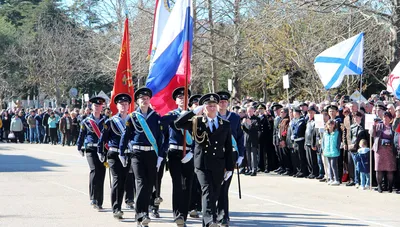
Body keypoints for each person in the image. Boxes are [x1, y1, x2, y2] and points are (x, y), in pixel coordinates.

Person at [175, 93, 234, 227]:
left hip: (218, 164)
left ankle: (208, 220)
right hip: (202, 163)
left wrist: (230, 168)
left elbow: (228, 147)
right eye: (208, 105)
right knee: (207, 190)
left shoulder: (224, 124)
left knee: (215, 192)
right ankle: (209, 221)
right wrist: (193, 111)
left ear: (217, 107)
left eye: (214, 105)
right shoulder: (197, 121)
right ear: (204, 108)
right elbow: (178, 123)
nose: (212, 108)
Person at [119, 87, 164, 227]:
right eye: (141, 99)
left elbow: (160, 138)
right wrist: (121, 152)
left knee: (149, 184)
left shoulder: (156, 117)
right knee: (140, 182)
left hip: (151, 153)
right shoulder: (132, 117)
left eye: (146, 98)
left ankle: (144, 212)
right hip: (137, 154)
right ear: (137, 101)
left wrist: (160, 156)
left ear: (149, 100)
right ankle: (141, 215)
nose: (144, 101)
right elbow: (125, 136)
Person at [161, 87, 195, 226]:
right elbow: (164, 133)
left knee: (188, 185)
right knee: (178, 184)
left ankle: (184, 215)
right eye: (180, 97)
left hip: (189, 153)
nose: (182, 99)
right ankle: (178, 215)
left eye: (185, 97)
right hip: (175, 152)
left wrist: (192, 151)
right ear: (175, 100)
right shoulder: (171, 115)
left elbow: (199, 137)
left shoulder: (194, 116)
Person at [98, 93, 134, 219]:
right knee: (117, 180)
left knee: (125, 180)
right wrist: (100, 151)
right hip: (114, 154)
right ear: (117, 106)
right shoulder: (111, 121)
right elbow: (103, 139)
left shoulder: (133, 120)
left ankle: (126, 201)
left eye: (126, 104)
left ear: (129, 106)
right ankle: (116, 208)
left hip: (128, 154)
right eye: (121, 104)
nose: (123, 106)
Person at [216, 91, 245, 226]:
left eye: (225, 101)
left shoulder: (234, 117)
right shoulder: (211, 116)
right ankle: (214, 213)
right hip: (215, 155)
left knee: (224, 186)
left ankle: (224, 215)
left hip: (230, 155)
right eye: (220, 101)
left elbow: (240, 136)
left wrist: (241, 154)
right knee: (214, 187)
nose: (223, 103)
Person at [77, 97, 107, 210]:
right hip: (90, 149)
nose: (97, 107)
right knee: (94, 170)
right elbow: (82, 134)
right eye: (95, 105)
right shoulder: (86, 121)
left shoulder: (106, 121)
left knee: (102, 173)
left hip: (103, 150)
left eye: (99, 106)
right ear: (91, 107)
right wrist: (79, 146)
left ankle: (100, 201)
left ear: (102, 107)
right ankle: (93, 198)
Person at [370, 111, 397, 193]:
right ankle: (379, 186)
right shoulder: (378, 125)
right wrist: (374, 126)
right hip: (379, 150)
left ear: (390, 119)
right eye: (384, 117)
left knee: (390, 170)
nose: (385, 118)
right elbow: (372, 134)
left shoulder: (393, 127)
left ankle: (390, 187)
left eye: (387, 117)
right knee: (379, 169)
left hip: (390, 151)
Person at [242, 106, 260, 176]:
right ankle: (249, 168)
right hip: (246, 139)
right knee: (248, 155)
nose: (249, 113)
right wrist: (242, 124)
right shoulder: (245, 119)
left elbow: (257, 128)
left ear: (253, 111)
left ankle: (254, 169)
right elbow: (244, 129)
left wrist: (250, 124)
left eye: (251, 111)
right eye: (248, 111)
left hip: (253, 139)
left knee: (253, 155)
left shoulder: (256, 119)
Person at [323, 119, 341, 186]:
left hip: (334, 151)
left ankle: (336, 179)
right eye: (329, 124)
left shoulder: (337, 132)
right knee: (329, 166)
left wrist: (337, 148)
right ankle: (331, 179)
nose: (330, 126)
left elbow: (338, 142)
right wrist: (323, 148)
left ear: (334, 125)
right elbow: (323, 142)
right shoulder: (325, 133)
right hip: (327, 151)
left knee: (333, 165)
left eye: (332, 124)